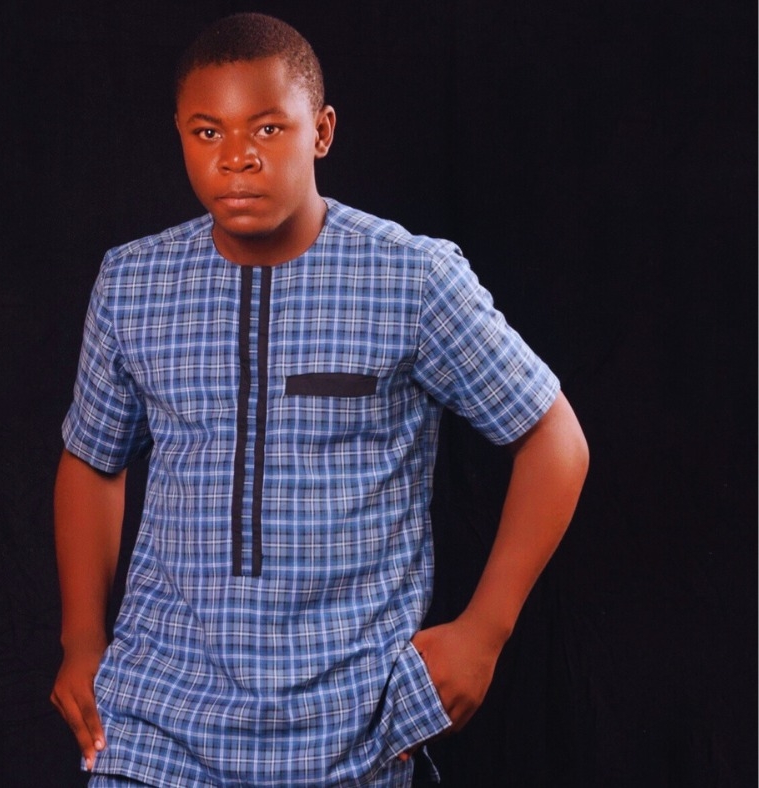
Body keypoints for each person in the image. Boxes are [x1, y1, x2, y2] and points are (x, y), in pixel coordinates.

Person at [50, 12, 589, 787]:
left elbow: (555, 440)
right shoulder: (132, 283)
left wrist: (485, 631)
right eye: (208, 132)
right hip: (155, 718)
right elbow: (93, 461)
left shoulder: (411, 279)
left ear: (322, 131)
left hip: (350, 726)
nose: (237, 156)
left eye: (268, 128)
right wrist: (81, 641)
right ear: (180, 134)